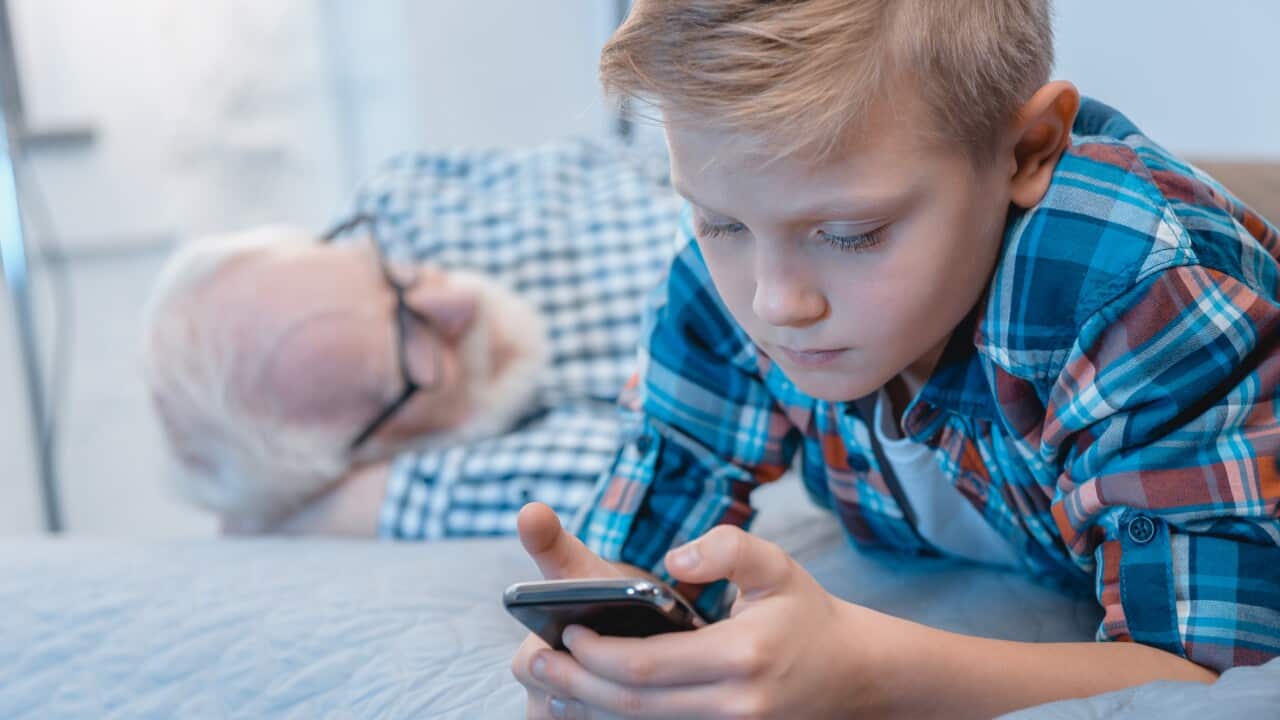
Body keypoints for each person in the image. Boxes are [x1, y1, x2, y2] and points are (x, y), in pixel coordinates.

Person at [509, 1, 1280, 717]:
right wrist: (607, 627)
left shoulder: (1138, 287)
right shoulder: (733, 282)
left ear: (1027, 150)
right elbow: (659, 518)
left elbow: (1210, 674)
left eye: (849, 234)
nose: (776, 304)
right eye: (718, 221)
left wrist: (870, 672)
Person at [142, 140, 682, 536]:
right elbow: (673, 503)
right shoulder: (457, 489)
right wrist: (301, 518)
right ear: (362, 460)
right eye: (410, 352)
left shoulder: (408, 199)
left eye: (389, 270)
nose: (458, 303)